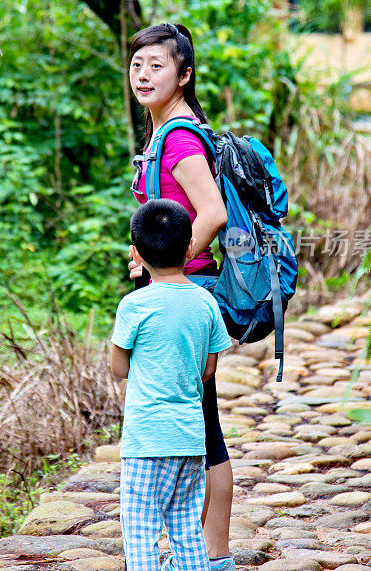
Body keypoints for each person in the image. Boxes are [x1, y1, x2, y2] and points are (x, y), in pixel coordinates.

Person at [126, 22, 236, 571]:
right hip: (178, 288)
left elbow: (211, 213)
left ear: (184, 75)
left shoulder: (181, 137)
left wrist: (168, 265)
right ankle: (206, 553)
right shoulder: (165, 132)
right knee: (201, 422)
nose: (143, 74)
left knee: (206, 427)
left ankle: (214, 556)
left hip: (185, 293)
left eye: (157, 66)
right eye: (137, 63)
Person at [111, 199, 232, 571]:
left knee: (141, 531)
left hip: (147, 439)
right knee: (185, 530)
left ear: (135, 253)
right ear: (190, 248)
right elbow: (208, 369)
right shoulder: (207, 302)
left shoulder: (134, 306)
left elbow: (118, 367)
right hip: (190, 438)